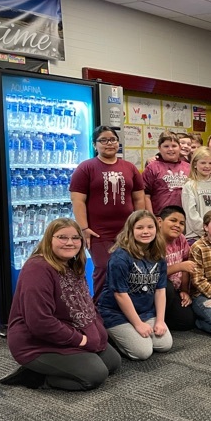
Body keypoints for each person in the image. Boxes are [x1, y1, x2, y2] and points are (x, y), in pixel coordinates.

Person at [0, 218, 121, 390]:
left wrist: (97, 331)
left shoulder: (72, 263)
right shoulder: (37, 269)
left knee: (112, 363)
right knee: (95, 375)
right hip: (35, 342)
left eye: (75, 238)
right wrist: (81, 340)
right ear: (49, 239)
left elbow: (85, 304)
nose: (70, 243)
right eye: (62, 237)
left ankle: (60, 366)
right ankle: (36, 378)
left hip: (68, 328)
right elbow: (40, 322)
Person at [70, 126, 145, 300]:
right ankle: (100, 309)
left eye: (112, 139)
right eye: (103, 140)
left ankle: (126, 310)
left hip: (127, 231)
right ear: (95, 145)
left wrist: (141, 225)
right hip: (99, 232)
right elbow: (78, 201)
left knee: (130, 268)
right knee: (104, 268)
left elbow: (139, 199)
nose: (109, 143)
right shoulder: (86, 168)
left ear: (118, 143)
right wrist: (83, 228)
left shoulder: (130, 168)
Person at [97, 210, 173, 361]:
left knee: (164, 345)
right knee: (142, 352)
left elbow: (160, 290)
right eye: (140, 228)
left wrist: (160, 320)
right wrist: (138, 324)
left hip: (145, 311)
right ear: (130, 230)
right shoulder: (120, 257)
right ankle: (109, 333)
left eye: (150, 227)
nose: (146, 232)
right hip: (116, 312)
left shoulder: (158, 256)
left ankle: (132, 333)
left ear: (156, 229)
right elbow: (120, 294)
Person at [157, 206, 195, 331]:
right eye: (173, 220)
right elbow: (153, 275)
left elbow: (186, 265)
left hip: (175, 291)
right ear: (159, 222)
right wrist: (178, 266)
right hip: (156, 292)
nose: (177, 225)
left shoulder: (181, 239)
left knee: (187, 322)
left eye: (181, 223)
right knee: (165, 286)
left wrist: (185, 290)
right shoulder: (153, 242)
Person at [181, 146, 211, 244]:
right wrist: (207, 230)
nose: (207, 166)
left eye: (210, 163)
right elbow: (191, 214)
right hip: (195, 236)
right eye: (203, 163)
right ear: (195, 164)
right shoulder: (189, 186)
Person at [143, 132, 190, 217]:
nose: (170, 149)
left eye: (174, 146)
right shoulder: (152, 167)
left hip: (185, 217)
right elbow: (146, 195)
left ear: (179, 148)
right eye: (166, 146)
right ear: (159, 148)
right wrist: (151, 217)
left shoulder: (188, 167)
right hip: (160, 216)